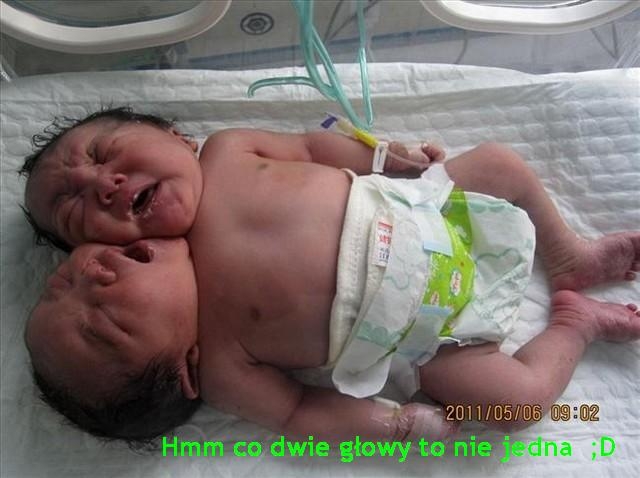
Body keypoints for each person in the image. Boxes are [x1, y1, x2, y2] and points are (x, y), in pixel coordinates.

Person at [22, 107, 640, 445]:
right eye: (74, 212)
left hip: (430, 207)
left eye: (101, 153)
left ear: (176, 136)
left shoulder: (229, 152)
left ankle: (569, 255)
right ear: (183, 365)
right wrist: (396, 425)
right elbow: (299, 414)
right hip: (432, 338)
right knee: (516, 406)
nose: (101, 184)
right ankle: (577, 324)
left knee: (502, 165)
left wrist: (386, 158)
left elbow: (313, 147)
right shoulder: (222, 368)